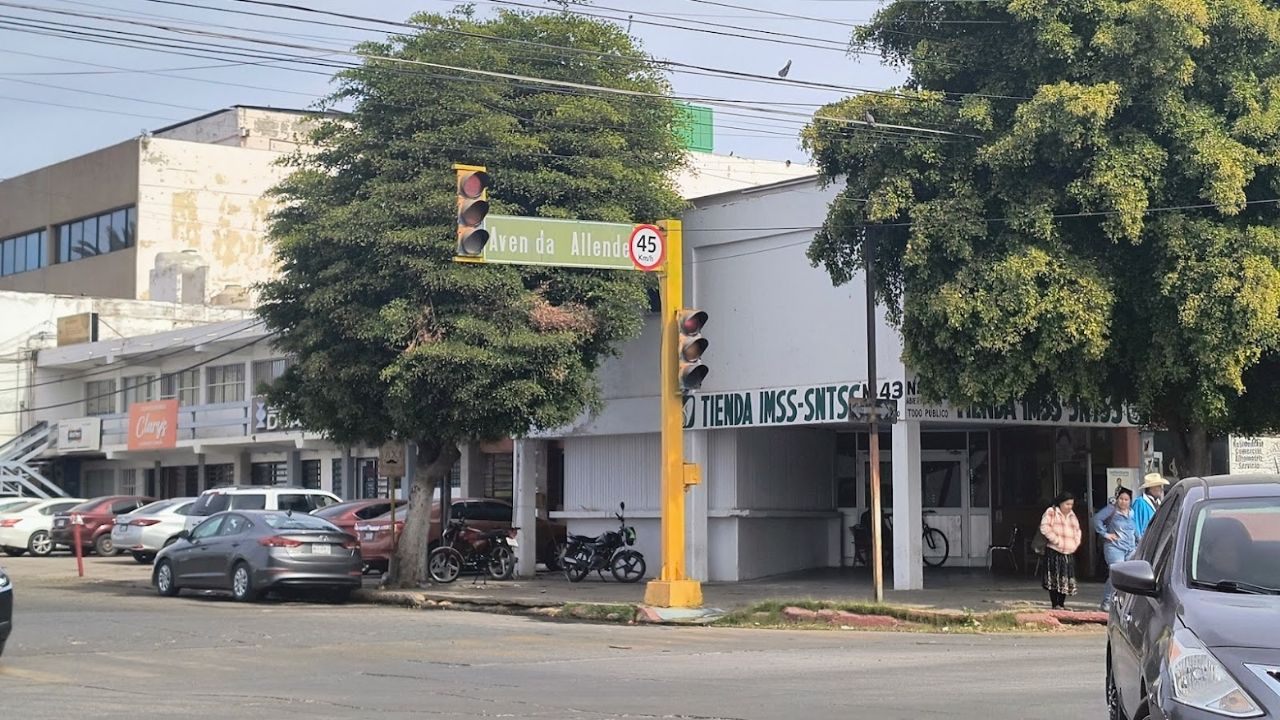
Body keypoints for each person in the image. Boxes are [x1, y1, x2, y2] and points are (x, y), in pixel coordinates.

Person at [1094, 487, 1137, 611]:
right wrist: (1105, 534)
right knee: (1116, 574)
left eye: (1126, 499)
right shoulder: (1111, 510)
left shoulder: (1132, 512)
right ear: (1117, 499)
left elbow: (1134, 529)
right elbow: (1096, 519)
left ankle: (1122, 602)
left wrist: (1139, 541)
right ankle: (1106, 601)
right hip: (1114, 547)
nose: (1123, 502)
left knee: (1130, 576)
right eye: (1121, 499)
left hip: (1130, 547)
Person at [1040, 491, 1083, 610]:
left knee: (1065, 578)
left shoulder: (1072, 515)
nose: (1069, 507)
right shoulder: (1051, 512)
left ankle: (1062, 604)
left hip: (1068, 551)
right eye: (1067, 504)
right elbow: (1044, 527)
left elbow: (1077, 530)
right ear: (1060, 503)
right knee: (1054, 578)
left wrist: (1075, 543)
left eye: (1071, 505)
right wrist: (1056, 540)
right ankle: (1055, 604)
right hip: (1054, 550)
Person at [1133, 473, 1169, 538]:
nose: (1161, 489)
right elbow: (1136, 526)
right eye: (1158, 486)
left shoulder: (1159, 503)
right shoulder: (1140, 503)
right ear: (1150, 488)